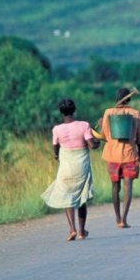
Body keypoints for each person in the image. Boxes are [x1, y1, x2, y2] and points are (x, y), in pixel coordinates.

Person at [41, 98, 98, 241]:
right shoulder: (84, 125)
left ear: (61, 112)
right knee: (81, 198)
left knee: (68, 197)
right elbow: (92, 145)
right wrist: (99, 143)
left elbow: (56, 149)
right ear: (74, 109)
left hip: (66, 167)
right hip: (81, 166)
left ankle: (72, 229)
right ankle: (81, 231)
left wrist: (56, 155)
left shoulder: (57, 129)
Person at [99, 87, 140, 229]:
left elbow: (104, 136)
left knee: (115, 187)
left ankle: (117, 217)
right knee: (128, 187)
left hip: (112, 156)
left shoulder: (108, 113)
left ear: (116, 99)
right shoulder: (135, 114)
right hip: (130, 155)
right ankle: (124, 219)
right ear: (129, 99)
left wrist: (101, 124)